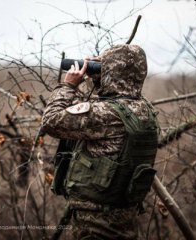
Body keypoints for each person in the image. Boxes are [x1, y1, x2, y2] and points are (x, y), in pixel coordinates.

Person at [42, 44, 159, 240]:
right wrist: (100, 78)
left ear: (112, 72)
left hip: (96, 224)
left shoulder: (107, 115)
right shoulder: (143, 109)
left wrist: (68, 86)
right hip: (123, 218)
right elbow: (109, 101)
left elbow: (51, 121)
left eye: (104, 67)